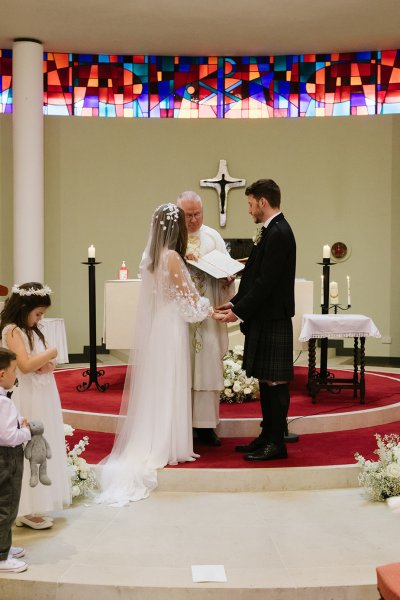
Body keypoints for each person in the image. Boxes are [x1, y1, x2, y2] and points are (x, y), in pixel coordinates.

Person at [97, 203, 218, 505]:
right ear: (176, 227)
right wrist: (211, 310)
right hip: (172, 329)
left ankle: (161, 438)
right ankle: (169, 445)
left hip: (160, 328)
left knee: (161, 385)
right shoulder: (173, 258)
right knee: (170, 383)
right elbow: (190, 303)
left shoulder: (152, 258)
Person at [217, 179, 296, 461]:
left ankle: (276, 443)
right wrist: (235, 301)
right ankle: (266, 435)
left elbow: (266, 283)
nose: (250, 210)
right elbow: (254, 274)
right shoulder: (270, 230)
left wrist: (238, 313)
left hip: (273, 317)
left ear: (263, 202)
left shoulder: (279, 233)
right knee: (265, 381)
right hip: (265, 316)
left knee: (275, 382)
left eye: (251, 204)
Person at [0, 283, 71, 528]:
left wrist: (47, 363)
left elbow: (40, 364)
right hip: (27, 394)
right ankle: (26, 509)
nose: (40, 318)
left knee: (43, 443)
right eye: (38, 313)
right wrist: (51, 352)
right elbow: (26, 365)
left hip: (43, 392)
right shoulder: (12, 330)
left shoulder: (32, 330)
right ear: (23, 308)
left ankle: (37, 503)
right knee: (28, 446)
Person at [176, 191, 235, 446]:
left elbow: (226, 268)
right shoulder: (170, 238)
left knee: (207, 365)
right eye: (187, 215)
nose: (192, 220)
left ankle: (206, 425)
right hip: (179, 319)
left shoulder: (213, 237)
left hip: (208, 314)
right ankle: (179, 423)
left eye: (196, 214)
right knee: (182, 367)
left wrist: (227, 279)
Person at [0, 348, 31, 573]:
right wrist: (27, 431)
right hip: (6, 459)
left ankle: (4, 546)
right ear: (2, 374)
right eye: (13, 371)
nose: (15, 375)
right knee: (6, 506)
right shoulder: (4, 403)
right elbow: (8, 437)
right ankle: (1, 557)